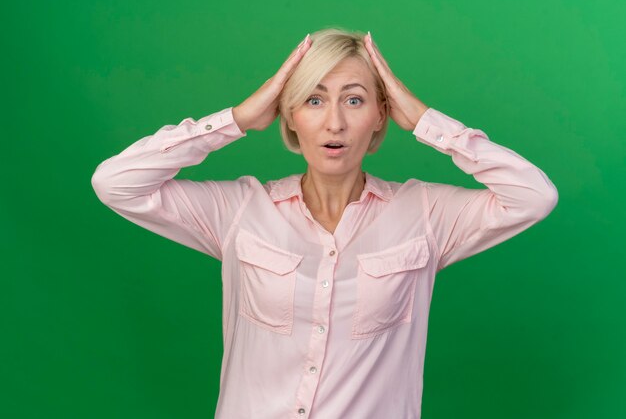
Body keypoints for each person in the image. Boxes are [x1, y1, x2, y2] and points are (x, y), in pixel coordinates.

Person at [91, 28, 558, 419]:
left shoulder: (424, 216)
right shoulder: (240, 211)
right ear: (290, 117)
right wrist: (238, 118)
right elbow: (115, 183)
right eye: (314, 101)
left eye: (354, 101)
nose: (334, 122)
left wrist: (423, 119)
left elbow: (534, 196)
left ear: (380, 117)